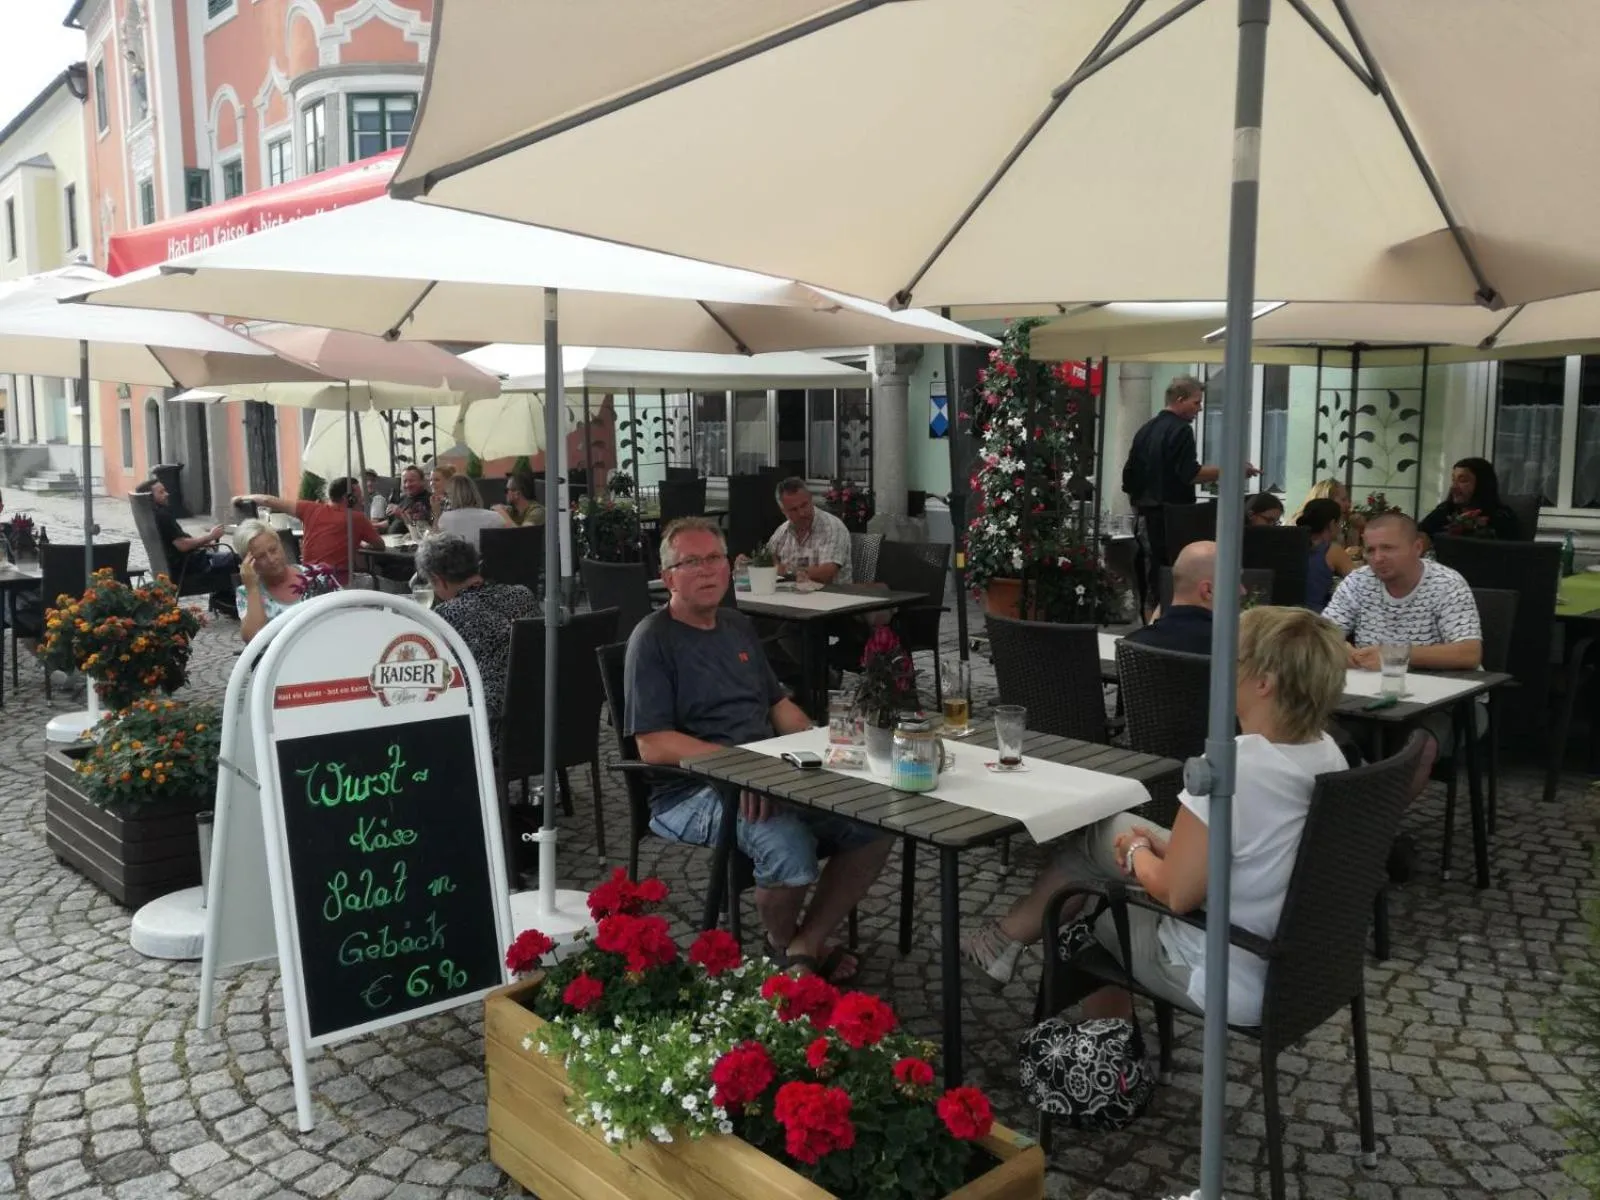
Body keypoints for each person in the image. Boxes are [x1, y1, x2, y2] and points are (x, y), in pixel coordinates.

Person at [962, 606, 1352, 1026]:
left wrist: (1135, 853)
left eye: (1231, 656)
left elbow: (1176, 893)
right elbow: (1260, 850)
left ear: (1264, 683)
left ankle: (1109, 1065)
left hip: (1227, 973)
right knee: (1106, 831)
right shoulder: (1327, 752)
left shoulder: (1233, 766)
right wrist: (1161, 847)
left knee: (1100, 912)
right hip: (1300, 967)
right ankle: (1003, 940)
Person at [626, 516, 892, 981]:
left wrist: (820, 743)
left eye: (715, 559)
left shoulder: (736, 626)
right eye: (692, 562)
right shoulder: (653, 640)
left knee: (878, 822)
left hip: (764, 769)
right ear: (668, 578)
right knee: (786, 843)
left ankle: (804, 943)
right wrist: (740, 767)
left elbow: (778, 705)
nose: (707, 570)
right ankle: (782, 944)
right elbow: (652, 745)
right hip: (690, 789)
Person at [1121, 375, 1256, 615]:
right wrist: (1233, 469)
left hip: (1145, 515)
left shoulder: (1145, 429)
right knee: (1176, 576)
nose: (1200, 408)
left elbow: (1128, 477)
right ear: (1180, 399)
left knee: (1153, 577)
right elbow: (1190, 474)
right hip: (1173, 517)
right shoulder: (1181, 430)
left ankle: (1152, 624)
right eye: (1196, 402)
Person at [1321, 512, 1482, 672]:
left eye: (1388, 548)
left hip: (1443, 687)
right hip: (1374, 686)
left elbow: (1469, 654)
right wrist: (1340, 649)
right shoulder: (1358, 581)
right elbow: (1320, 634)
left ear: (1417, 548)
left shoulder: (1446, 584)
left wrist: (1395, 655)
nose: (1378, 558)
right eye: (1370, 550)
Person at [418, 533, 538, 739]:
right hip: (544, 716)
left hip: (488, 730)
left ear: (439, 580)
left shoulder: (447, 615)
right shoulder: (522, 595)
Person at [236, 476, 385, 586]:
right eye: (359, 497)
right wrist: (363, 545)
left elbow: (268, 501)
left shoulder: (309, 508)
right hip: (338, 583)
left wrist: (242, 497)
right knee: (373, 581)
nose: (362, 500)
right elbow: (380, 545)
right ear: (349, 498)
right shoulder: (358, 518)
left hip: (307, 579)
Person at [138, 479, 237, 610]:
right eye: (161, 492)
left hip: (178, 564)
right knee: (236, 559)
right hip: (187, 566)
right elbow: (182, 545)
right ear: (150, 497)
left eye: (165, 490)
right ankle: (227, 600)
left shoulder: (151, 515)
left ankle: (222, 598)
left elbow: (180, 541)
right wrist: (210, 536)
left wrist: (204, 542)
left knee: (223, 558)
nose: (166, 494)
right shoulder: (162, 516)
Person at [234, 520, 335, 644]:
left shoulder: (317, 575)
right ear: (248, 562)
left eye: (273, 550)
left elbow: (347, 611)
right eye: (260, 556)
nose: (271, 559)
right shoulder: (247, 593)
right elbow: (253, 639)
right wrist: (252, 589)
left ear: (281, 545)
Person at [738, 477, 851, 583]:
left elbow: (827, 572)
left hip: (832, 597)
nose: (802, 513)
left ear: (811, 499)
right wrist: (749, 563)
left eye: (804, 505)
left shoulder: (832, 527)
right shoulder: (783, 531)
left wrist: (786, 570)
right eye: (793, 510)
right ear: (783, 511)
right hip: (792, 596)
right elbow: (767, 559)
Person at [1125, 539, 1218, 655]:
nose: (1243, 591)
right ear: (1207, 590)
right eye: (1236, 583)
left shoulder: (1132, 645)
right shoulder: (1229, 646)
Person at [1419, 457, 1521, 541]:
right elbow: (1418, 534)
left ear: (1482, 484)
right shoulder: (1446, 510)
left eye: (1462, 480)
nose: (1454, 487)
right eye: (1453, 480)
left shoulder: (1502, 517)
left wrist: (1473, 528)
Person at [1296, 498, 1356, 613]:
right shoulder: (1332, 550)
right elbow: (1360, 582)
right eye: (1340, 522)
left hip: (1283, 616)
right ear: (1333, 524)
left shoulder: (1291, 543)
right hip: (1314, 618)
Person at [437, 475, 505, 549]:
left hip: (458, 560)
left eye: (447, 495)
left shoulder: (445, 518)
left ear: (452, 496)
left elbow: (435, 544)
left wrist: (436, 513)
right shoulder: (495, 517)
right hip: (487, 559)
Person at [385, 465, 434, 531]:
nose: (407, 485)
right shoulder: (403, 498)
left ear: (422, 481)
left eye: (411, 481)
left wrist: (401, 513)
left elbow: (420, 527)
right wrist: (374, 525)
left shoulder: (430, 500)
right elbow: (392, 522)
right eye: (405, 481)